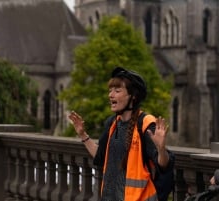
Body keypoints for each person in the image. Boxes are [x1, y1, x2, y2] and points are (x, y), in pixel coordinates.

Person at [68, 67, 172, 201]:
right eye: (110, 90)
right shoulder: (112, 123)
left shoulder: (146, 124)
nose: (111, 95)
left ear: (133, 96)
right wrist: (83, 134)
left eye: (117, 91)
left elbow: (163, 165)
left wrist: (161, 148)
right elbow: (101, 156)